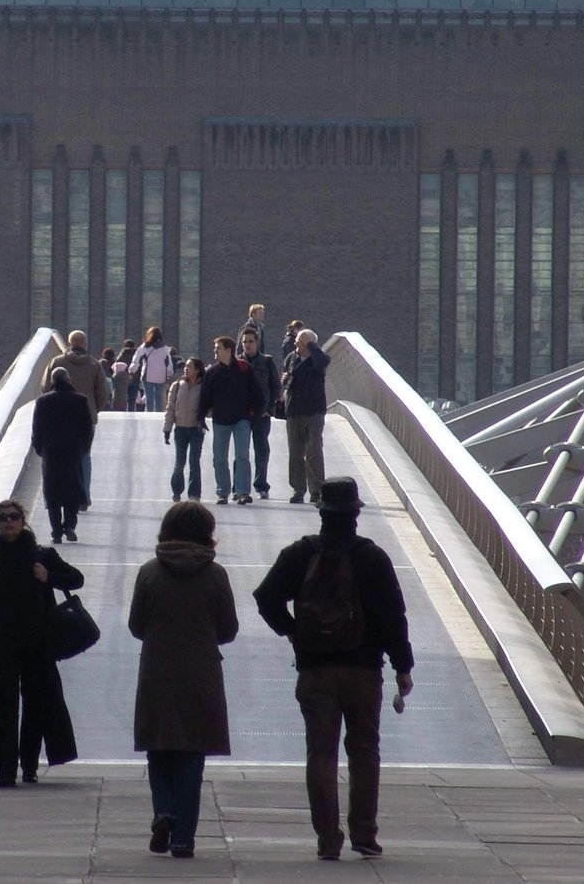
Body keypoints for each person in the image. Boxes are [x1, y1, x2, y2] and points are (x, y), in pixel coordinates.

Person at [252, 477, 414, 862]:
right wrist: (402, 667)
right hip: (363, 671)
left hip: (315, 669)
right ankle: (364, 833)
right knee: (364, 750)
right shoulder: (372, 558)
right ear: (356, 513)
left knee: (320, 754)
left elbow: (265, 597)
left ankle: (328, 838)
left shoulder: (300, 554)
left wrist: (293, 632)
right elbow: (394, 617)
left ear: (321, 512)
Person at [129, 502, 238, 859]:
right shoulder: (216, 575)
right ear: (207, 533)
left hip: (157, 670)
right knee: (192, 752)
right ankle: (183, 839)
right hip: (201, 672)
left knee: (158, 748)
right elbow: (228, 629)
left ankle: (163, 811)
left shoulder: (149, 572)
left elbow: (136, 626)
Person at [0, 499, 84, 787]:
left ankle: (29, 766)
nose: (9, 521)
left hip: (38, 640)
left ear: (22, 520)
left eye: (14, 516)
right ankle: (6, 770)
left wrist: (48, 576)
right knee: (3, 704)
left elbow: (76, 579)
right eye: (3, 518)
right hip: (4, 640)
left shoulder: (40, 555)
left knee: (37, 703)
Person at [43, 330, 106, 508]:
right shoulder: (94, 365)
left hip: (59, 418)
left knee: (62, 456)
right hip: (86, 417)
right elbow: (102, 392)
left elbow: (45, 386)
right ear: (84, 344)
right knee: (84, 456)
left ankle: (64, 496)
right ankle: (83, 497)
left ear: (70, 344)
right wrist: (94, 410)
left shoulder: (57, 362)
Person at [32, 367, 93, 543]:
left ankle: (56, 531)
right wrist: (83, 448)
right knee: (72, 488)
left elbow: (37, 429)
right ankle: (69, 526)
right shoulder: (80, 400)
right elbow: (87, 429)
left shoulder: (43, 401)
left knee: (52, 491)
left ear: (52, 381)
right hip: (73, 451)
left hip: (50, 452)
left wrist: (40, 448)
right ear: (69, 380)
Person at [198, 336, 262, 506]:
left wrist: (256, 414)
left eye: (218, 348)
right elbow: (205, 397)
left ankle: (242, 492)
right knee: (219, 458)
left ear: (228, 350)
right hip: (220, 420)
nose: (215, 351)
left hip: (242, 419)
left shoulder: (244, 368)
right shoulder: (212, 372)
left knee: (242, 456)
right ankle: (222, 492)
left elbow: (256, 391)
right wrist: (201, 417)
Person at [283, 327, 330, 505]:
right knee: (295, 451)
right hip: (294, 409)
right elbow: (288, 379)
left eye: (299, 341)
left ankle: (317, 490)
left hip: (314, 410)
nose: (295, 343)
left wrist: (310, 344)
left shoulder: (319, 359)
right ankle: (298, 489)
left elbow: (322, 363)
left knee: (314, 449)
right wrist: (285, 380)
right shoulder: (291, 358)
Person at [238, 326, 281, 500]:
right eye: (244, 342)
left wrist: (270, 410)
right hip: (242, 415)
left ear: (257, 342)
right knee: (241, 452)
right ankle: (240, 486)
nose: (247, 345)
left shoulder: (267, 361)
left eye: (250, 341)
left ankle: (261, 484)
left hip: (261, 415)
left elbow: (276, 386)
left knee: (262, 450)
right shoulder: (238, 362)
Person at [163, 357, 206, 502]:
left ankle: (194, 493)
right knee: (179, 461)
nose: (186, 369)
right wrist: (167, 429)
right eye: (186, 367)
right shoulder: (177, 385)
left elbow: (209, 406)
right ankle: (176, 490)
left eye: (190, 367)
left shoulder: (204, 386)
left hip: (196, 429)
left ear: (197, 370)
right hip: (180, 429)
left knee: (194, 461)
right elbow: (170, 408)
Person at [130, 326, 174, 413]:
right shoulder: (165, 348)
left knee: (148, 397)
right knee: (159, 398)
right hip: (161, 376)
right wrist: (169, 373)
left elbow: (136, 357)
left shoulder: (145, 346)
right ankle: (158, 416)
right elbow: (169, 362)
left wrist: (132, 370)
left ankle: (149, 416)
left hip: (148, 375)